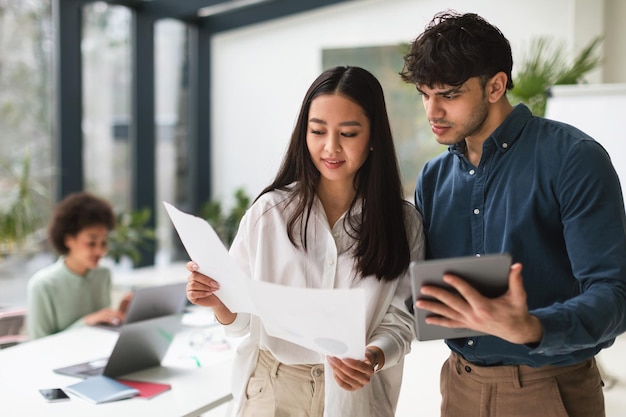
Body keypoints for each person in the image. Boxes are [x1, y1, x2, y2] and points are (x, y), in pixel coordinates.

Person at [400, 10, 626, 417]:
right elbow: (424, 294)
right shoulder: (433, 178)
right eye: (424, 94)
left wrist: (533, 327)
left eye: (448, 94)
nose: (432, 111)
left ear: (496, 86)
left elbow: (615, 296)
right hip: (459, 386)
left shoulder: (574, 160)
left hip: (549, 389)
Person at [186, 65, 424, 417]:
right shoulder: (269, 213)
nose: (331, 147)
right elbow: (240, 321)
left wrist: (372, 356)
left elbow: (403, 320)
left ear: (373, 137)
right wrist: (216, 300)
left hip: (353, 394)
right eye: (317, 131)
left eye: (348, 133)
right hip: (272, 388)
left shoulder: (403, 223)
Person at [27, 191, 133, 339]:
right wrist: (85, 323)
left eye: (104, 242)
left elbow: (100, 331)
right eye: (91, 243)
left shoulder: (103, 274)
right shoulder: (43, 285)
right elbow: (37, 343)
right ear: (69, 240)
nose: (100, 251)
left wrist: (119, 316)